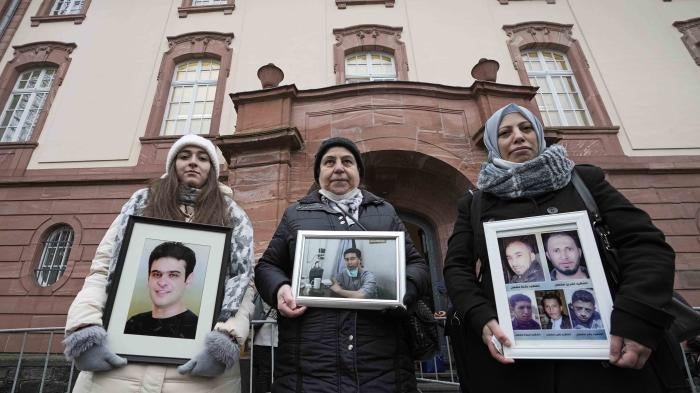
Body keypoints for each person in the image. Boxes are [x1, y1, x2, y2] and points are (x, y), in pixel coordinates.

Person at [443, 103, 688, 392]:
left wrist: (636, 318)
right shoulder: (475, 204)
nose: (518, 137)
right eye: (505, 133)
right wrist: (479, 316)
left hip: (611, 357)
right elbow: (457, 267)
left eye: (526, 128)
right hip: (516, 366)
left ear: (539, 135)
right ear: (493, 145)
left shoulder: (585, 182)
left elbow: (645, 246)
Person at [62, 134, 256, 393]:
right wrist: (84, 328)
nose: (193, 163)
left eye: (202, 158)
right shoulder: (141, 204)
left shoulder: (233, 217)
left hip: (196, 375)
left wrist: (227, 339)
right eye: (184, 156)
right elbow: (102, 269)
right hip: (119, 367)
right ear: (173, 164)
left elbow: (243, 284)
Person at [254, 137, 430, 392]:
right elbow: (267, 266)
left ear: (358, 171)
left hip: (382, 364)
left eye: (347, 161)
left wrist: (404, 290)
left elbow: (417, 264)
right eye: (329, 162)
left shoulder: (385, 212)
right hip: (309, 364)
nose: (339, 168)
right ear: (319, 173)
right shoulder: (295, 214)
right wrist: (280, 289)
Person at [123, 242, 199, 339]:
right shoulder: (133, 324)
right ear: (148, 277)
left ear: (188, 280)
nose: (162, 283)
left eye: (173, 275)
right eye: (157, 274)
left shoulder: (196, 329)